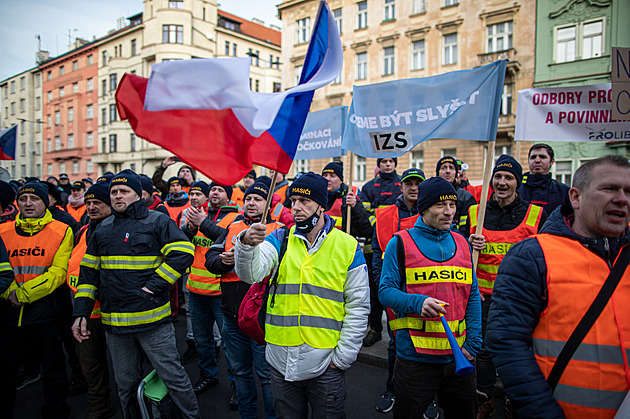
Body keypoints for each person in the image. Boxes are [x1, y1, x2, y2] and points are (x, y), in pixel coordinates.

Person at [486, 155, 630, 418]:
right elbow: (506, 340)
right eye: (609, 189)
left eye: (629, 191)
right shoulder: (534, 255)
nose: (622, 199)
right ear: (575, 197)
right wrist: (542, 412)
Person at [234, 172, 370, 418]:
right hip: (279, 360)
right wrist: (246, 245)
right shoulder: (280, 238)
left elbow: (359, 306)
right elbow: (251, 274)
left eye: (304, 201)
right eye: (293, 200)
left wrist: (343, 357)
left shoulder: (347, 245)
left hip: (325, 363)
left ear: (321, 205)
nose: (296, 207)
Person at [72, 169, 200, 419]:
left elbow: (183, 253)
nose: (118, 196)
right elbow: (88, 275)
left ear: (138, 195)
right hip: (114, 325)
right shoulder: (101, 228)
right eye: (114, 192)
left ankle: (191, 416)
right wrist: (81, 313)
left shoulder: (156, 221)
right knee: (126, 385)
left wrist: (153, 286)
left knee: (173, 378)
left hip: (152, 321)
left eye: (124, 191)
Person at [379, 176, 482, 419]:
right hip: (415, 359)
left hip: (460, 356)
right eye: (441, 206)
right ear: (424, 208)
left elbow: (472, 295)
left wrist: (474, 342)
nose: (449, 212)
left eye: (453, 205)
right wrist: (417, 303)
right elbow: (385, 291)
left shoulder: (463, 243)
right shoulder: (400, 243)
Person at [460, 155, 547, 418]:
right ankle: (484, 399)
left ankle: (513, 401)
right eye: (497, 176)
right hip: (483, 298)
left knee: (517, 350)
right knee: (483, 350)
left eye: (508, 177)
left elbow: (545, 256)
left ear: (517, 182)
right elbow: (459, 249)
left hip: (519, 298)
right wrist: (468, 244)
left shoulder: (535, 215)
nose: (501, 182)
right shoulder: (476, 212)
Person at [206, 181, 284, 418]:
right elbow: (211, 260)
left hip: (263, 316)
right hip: (231, 314)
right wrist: (225, 261)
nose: (251, 203)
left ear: (267, 203)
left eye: (258, 199)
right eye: (248, 198)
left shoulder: (280, 230)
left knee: (266, 374)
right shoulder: (231, 226)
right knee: (240, 371)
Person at [0, 181, 74, 418]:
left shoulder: (62, 229)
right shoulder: (3, 231)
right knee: (6, 373)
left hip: (47, 314)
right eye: (23, 199)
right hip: (9, 315)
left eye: (35, 199)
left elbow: (59, 272)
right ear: (16, 202)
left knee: (53, 372)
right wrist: (9, 293)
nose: (28, 203)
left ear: (46, 202)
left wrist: (22, 294)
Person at [181, 180, 240, 407]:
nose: (214, 193)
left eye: (219, 190)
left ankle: (237, 386)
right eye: (212, 190)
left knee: (230, 343)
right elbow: (186, 242)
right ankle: (208, 375)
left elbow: (226, 239)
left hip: (219, 291)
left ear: (228, 195)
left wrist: (202, 223)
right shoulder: (199, 214)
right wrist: (189, 228)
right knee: (202, 339)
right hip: (195, 287)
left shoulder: (234, 217)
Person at [372, 168, 425, 413]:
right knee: (396, 344)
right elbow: (377, 259)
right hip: (396, 294)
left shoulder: (432, 212)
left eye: (418, 183)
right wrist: (383, 286)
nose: (413, 188)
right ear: (400, 187)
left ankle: (428, 396)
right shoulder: (384, 216)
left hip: (426, 290)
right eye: (409, 183)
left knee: (428, 343)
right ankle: (392, 389)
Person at [66, 182, 115, 418]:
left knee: (125, 370)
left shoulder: (119, 231)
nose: (92, 207)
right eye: (89, 203)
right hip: (86, 314)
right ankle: (99, 409)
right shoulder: (83, 232)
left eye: (98, 203)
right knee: (91, 368)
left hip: (113, 313)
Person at [361, 158, 402, 348]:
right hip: (374, 246)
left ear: (395, 164)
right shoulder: (369, 187)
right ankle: (375, 329)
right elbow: (364, 213)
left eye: (390, 161)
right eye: (384, 161)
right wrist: (379, 226)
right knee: (374, 289)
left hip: (399, 244)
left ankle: (398, 331)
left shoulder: (402, 184)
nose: (387, 165)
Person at [517, 143, 570, 216]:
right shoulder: (516, 189)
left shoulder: (564, 192)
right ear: (528, 161)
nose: (537, 160)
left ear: (551, 162)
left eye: (542, 157)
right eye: (533, 157)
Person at [436, 156, 476, 230]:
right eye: (443, 168)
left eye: (451, 168)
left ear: (456, 173)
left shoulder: (466, 197)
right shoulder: (430, 195)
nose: (448, 171)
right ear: (438, 172)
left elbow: (466, 228)